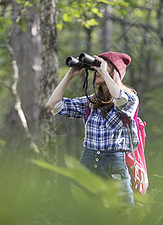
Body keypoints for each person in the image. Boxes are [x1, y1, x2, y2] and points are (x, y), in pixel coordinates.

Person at [47, 52, 139, 205]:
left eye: (101, 67)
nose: (96, 72)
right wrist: (70, 74)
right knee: (84, 216)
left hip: (114, 167)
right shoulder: (91, 102)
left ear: (114, 72)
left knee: (123, 216)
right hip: (87, 163)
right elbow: (53, 104)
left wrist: (103, 70)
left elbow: (120, 101)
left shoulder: (130, 98)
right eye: (95, 69)